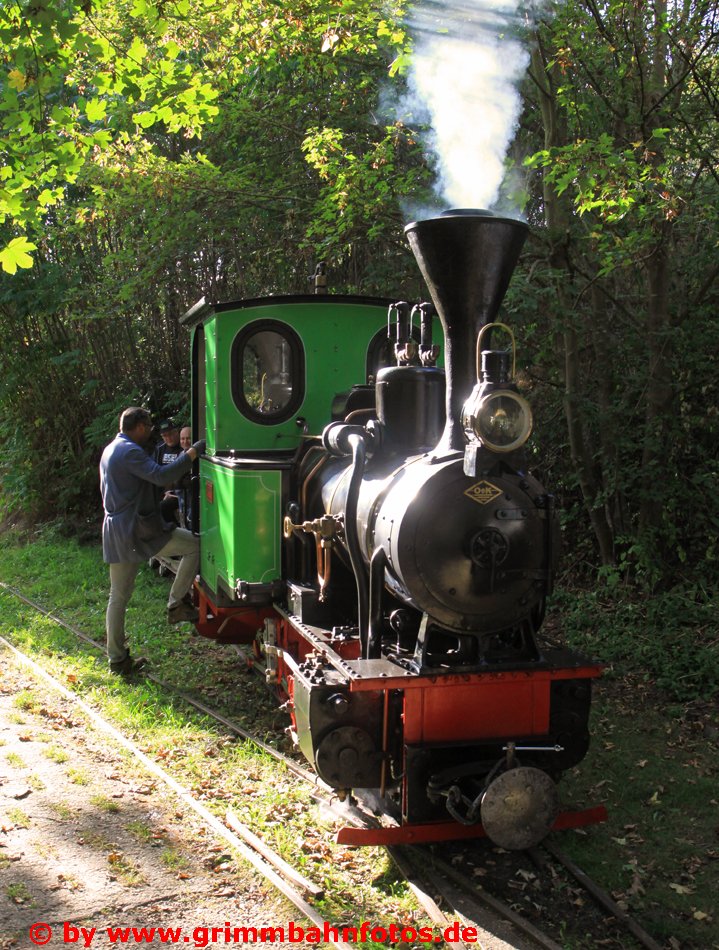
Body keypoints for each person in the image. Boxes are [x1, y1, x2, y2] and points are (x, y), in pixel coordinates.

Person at [99, 407, 205, 677]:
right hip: (136, 530)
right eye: (147, 426)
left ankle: (117, 660)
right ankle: (176, 603)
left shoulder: (112, 448)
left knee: (118, 597)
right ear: (138, 426)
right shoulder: (129, 451)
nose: (150, 432)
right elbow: (161, 475)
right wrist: (193, 452)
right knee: (194, 545)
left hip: (118, 530)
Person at [155, 419, 183, 522]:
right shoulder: (160, 448)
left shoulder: (183, 446)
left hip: (179, 491)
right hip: (164, 490)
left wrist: (171, 491)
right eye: (164, 436)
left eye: (170, 434)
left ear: (177, 432)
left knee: (163, 507)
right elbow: (156, 471)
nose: (168, 438)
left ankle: (175, 532)